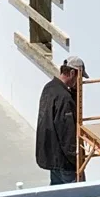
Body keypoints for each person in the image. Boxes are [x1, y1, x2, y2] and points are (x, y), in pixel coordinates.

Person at [35, 55, 88, 185]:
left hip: (51, 158)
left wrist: (74, 93)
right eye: (79, 77)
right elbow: (67, 134)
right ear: (71, 73)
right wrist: (77, 162)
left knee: (56, 196)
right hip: (65, 162)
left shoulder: (49, 88)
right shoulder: (64, 98)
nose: (79, 82)